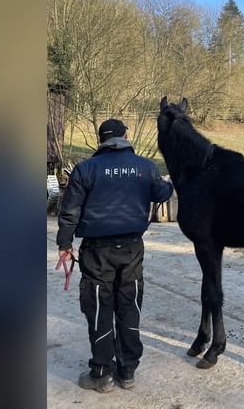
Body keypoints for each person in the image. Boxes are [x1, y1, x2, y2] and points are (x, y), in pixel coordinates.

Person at [57, 118, 174, 393]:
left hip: (97, 251)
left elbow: (70, 211)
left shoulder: (85, 169)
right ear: (124, 136)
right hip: (132, 248)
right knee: (129, 307)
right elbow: (163, 192)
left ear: (101, 140)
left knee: (99, 309)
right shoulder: (145, 167)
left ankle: (100, 374)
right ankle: (127, 371)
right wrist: (171, 180)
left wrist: (64, 243)